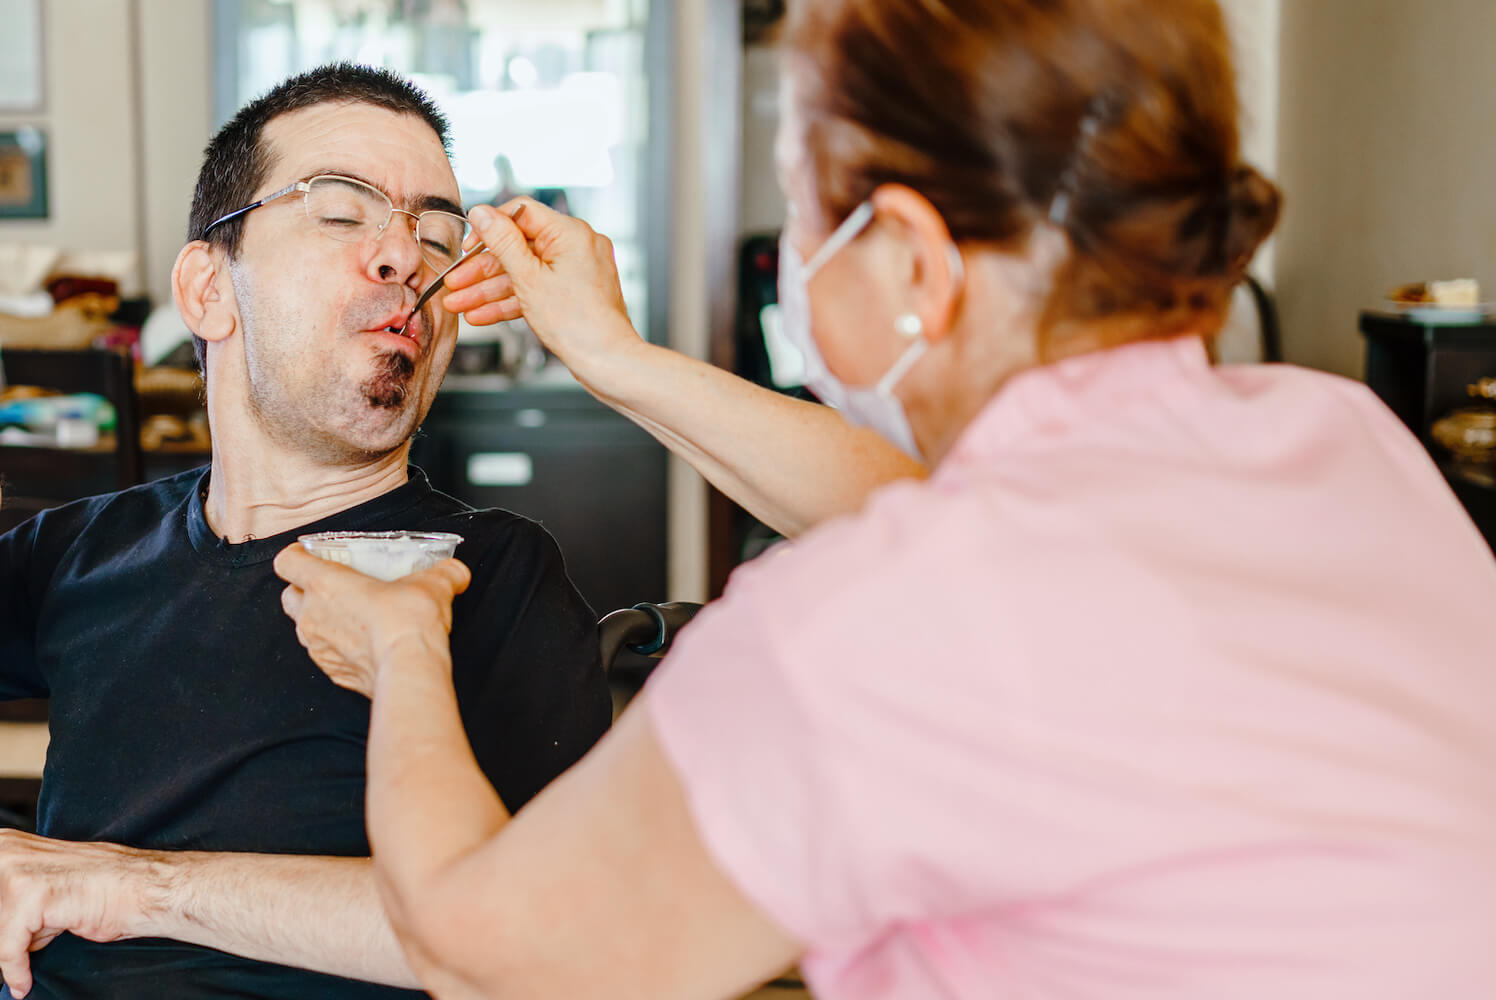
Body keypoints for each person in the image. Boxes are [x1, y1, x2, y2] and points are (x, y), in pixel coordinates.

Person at [271, 1, 1496, 996]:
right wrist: (618, 360)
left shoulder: (870, 628)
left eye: (805, 203)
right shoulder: (1338, 438)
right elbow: (941, 521)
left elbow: (481, 958)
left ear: (910, 256)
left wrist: (400, 641)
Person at [0, 65, 612, 1000]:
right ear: (207, 290)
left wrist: (136, 888)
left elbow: (548, 943)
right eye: (341, 210)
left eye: (436, 231)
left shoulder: (490, 574)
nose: (405, 255)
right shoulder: (90, 552)